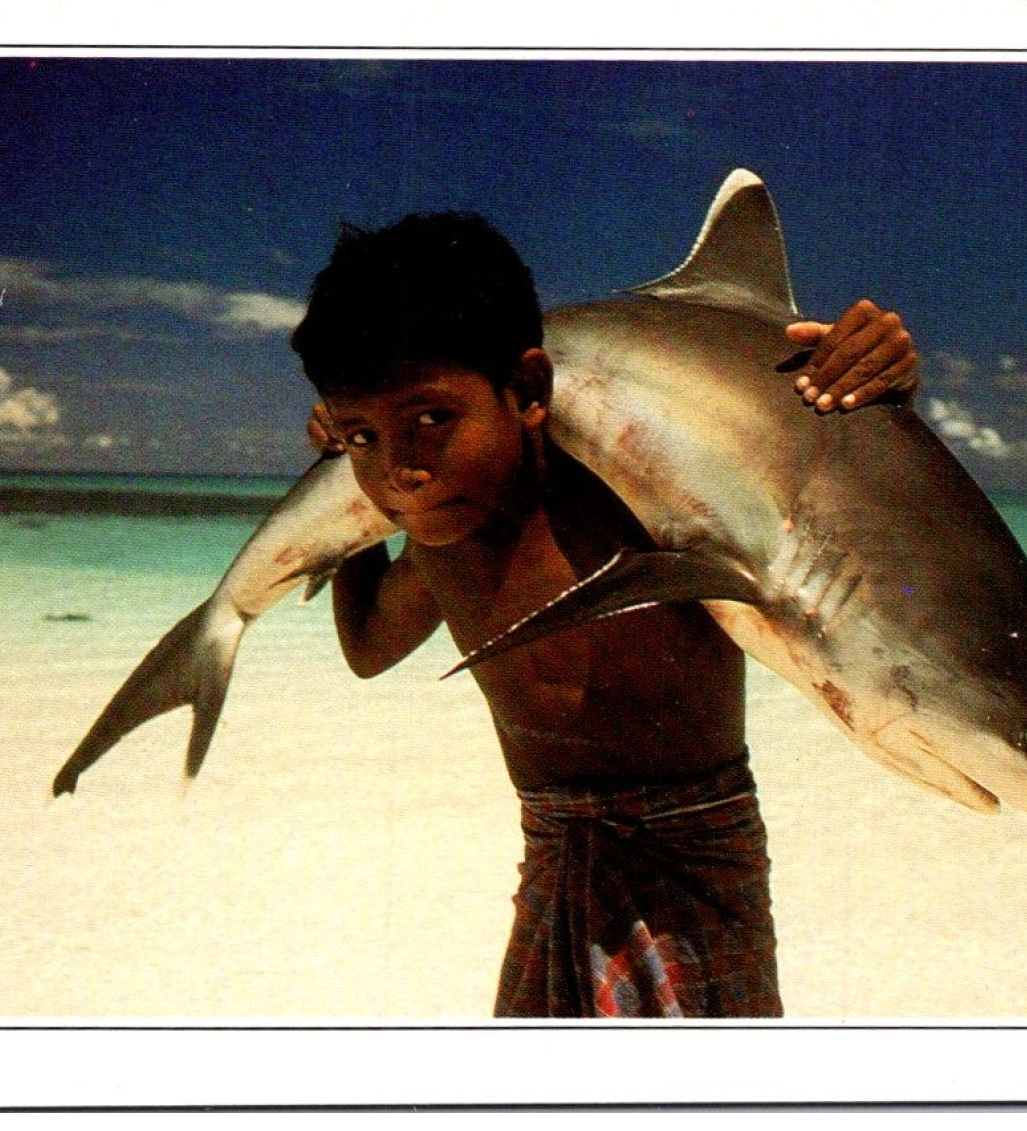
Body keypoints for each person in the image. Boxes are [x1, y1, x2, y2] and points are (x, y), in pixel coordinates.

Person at [291, 211, 917, 1018]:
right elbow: (370, 647)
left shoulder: (632, 499)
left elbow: (793, 477)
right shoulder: (441, 541)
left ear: (527, 391)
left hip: (691, 852)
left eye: (431, 419)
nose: (403, 470)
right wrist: (348, 506)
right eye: (364, 435)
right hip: (551, 852)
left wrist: (873, 383)